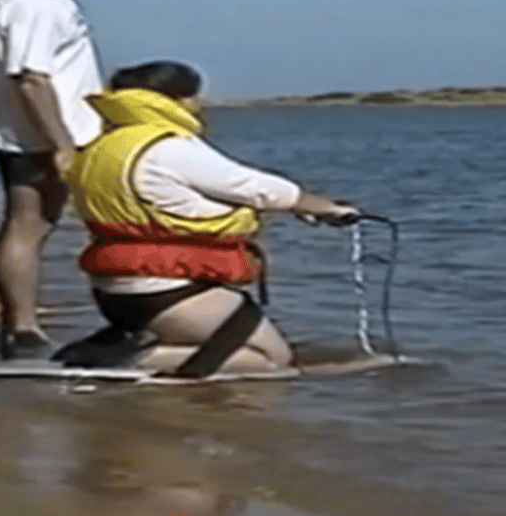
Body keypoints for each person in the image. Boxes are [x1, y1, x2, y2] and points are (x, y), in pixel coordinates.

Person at [53, 61, 393, 381]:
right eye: (195, 98)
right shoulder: (169, 147)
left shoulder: (102, 148)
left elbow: (164, 200)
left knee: (238, 347)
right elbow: (257, 188)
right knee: (272, 361)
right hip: (168, 290)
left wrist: (293, 209)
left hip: (115, 289)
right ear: (181, 100)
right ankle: (133, 360)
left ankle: (116, 348)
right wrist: (324, 207)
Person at [0, 0, 122, 359]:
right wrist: (59, 143)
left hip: (49, 130)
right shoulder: (30, 1)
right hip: (37, 134)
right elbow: (30, 78)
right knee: (27, 224)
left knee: (38, 225)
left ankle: (24, 324)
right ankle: (21, 327)